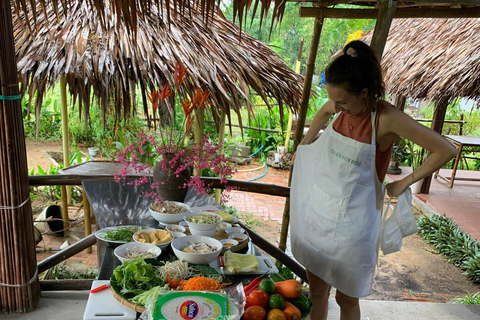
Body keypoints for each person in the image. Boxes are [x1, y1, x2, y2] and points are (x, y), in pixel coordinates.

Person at [290, 40, 457, 320]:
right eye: (336, 100)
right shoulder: (341, 106)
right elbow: (324, 111)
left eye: (343, 101)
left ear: (364, 93)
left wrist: (406, 181)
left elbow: (446, 149)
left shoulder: (386, 119)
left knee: (346, 297)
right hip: (321, 215)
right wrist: (304, 146)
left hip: (353, 226)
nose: (338, 107)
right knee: (317, 291)